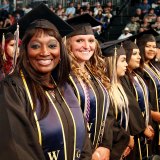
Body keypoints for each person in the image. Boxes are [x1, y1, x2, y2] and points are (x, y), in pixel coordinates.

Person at [0, 3, 93, 160]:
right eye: (35, 46)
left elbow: (83, 141)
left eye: (52, 45)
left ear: (60, 51)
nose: (45, 52)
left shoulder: (65, 87)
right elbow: (16, 149)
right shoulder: (12, 89)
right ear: (25, 51)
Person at [66, 13, 112, 160]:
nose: (87, 46)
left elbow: (108, 114)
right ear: (68, 44)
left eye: (91, 40)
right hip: (76, 152)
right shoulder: (62, 77)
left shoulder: (95, 75)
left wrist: (105, 145)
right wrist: (90, 153)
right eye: (79, 40)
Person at [101, 42, 136, 160]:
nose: (126, 64)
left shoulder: (118, 85)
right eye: (123, 60)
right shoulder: (103, 89)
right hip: (111, 149)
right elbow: (108, 124)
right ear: (111, 62)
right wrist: (125, 140)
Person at [122, 40, 155, 160]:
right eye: (135, 54)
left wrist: (148, 124)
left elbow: (146, 101)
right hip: (134, 133)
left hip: (144, 129)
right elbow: (130, 106)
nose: (139, 57)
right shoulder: (123, 79)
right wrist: (142, 127)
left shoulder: (136, 75)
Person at [136, 32, 160, 155]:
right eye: (148, 46)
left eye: (154, 46)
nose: (152, 49)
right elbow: (138, 100)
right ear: (140, 47)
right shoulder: (137, 71)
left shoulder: (154, 66)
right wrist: (155, 115)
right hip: (150, 121)